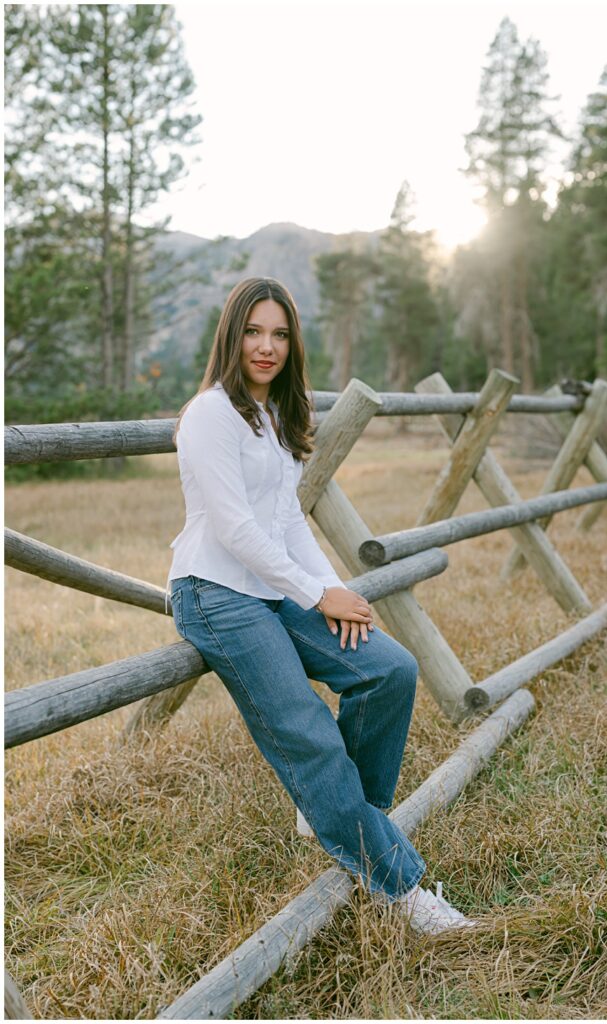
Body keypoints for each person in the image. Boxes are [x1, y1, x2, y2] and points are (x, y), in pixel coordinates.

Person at [166, 276, 476, 935]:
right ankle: (402, 888)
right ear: (231, 335)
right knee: (307, 730)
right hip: (215, 594)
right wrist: (315, 592)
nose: (267, 346)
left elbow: (288, 523)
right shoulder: (210, 415)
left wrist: (337, 592)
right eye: (254, 331)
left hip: (275, 588)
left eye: (279, 334)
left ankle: (339, 815)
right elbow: (234, 530)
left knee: (389, 669)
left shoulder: (273, 416)